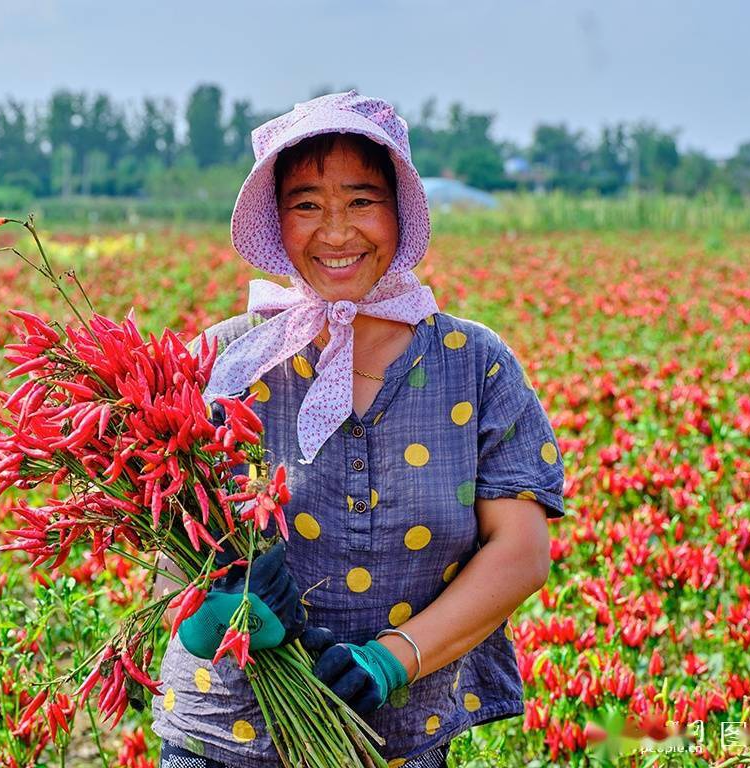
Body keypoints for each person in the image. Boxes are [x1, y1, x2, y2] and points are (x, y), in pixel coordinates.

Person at [150, 90, 566, 768]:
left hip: (398, 740)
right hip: (223, 737)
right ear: (277, 224)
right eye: (307, 205)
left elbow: (520, 550)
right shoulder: (224, 361)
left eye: (362, 202)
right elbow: (170, 544)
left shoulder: (475, 365)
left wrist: (394, 658)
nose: (336, 232)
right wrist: (217, 606)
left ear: (401, 214)